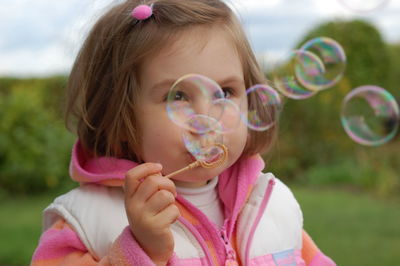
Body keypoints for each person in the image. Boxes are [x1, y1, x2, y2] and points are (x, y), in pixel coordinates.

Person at [32, 0, 336, 265]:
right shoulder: (86, 221)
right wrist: (140, 251)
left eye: (225, 92)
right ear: (121, 116)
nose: (206, 117)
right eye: (178, 97)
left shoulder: (270, 206)